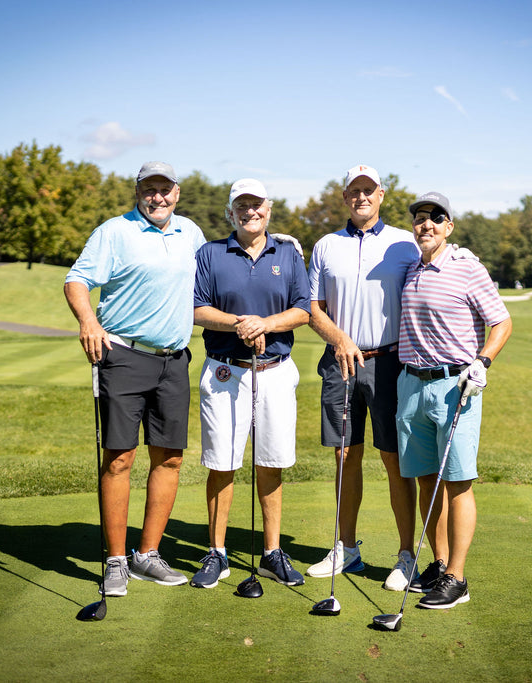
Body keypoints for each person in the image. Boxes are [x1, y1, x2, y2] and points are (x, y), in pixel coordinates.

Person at [64, 161, 206, 597]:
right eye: (150, 189)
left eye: (165, 189)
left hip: (175, 362)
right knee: (120, 458)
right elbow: (77, 280)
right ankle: (115, 560)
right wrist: (88, 321)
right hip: (123, 356)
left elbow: (214, 278)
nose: (157, 197)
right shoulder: (114, 231)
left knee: (170, 458)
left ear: (177, 193)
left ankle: (147, 555)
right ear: (138, 192)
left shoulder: (191, 234)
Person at [189, 178, 311, 589]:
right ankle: (217, 552)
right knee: (221, 463)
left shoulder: (290, 253)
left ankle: (273, 552)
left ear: (268, 208)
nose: (250, 211)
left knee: (271, 462)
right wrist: (242, 325)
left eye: (256, 204)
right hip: (225, 371)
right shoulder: (210, 253)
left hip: (275, 370)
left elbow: (303, 310)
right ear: (231, 212)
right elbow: (198, 309)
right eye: (241, 205)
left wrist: (267, 324)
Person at [305, 164, 422, 591]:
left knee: (395, 460)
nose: (361, 198)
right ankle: (347, 549)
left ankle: (407, 554)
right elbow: (313, 308)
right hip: (340, 363)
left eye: (368, 190)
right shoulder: (325, 246)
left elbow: (434, 271)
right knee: (344, 455)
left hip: (391, 362)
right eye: (354, 191)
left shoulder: (404, 244)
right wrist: (338, 339)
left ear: (381, 194)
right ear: (344, 197)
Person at [396, 191, 512, 609]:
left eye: (435, 218)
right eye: (419, 218)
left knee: (458, 482)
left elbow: (501, 321)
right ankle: (441, 564)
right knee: (426, 478)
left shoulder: (467, 267)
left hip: (455, 387)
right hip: (411, 386)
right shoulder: (411, 268)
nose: (425, 224)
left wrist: (483, 361)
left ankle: (458, 579)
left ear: (449, 227)